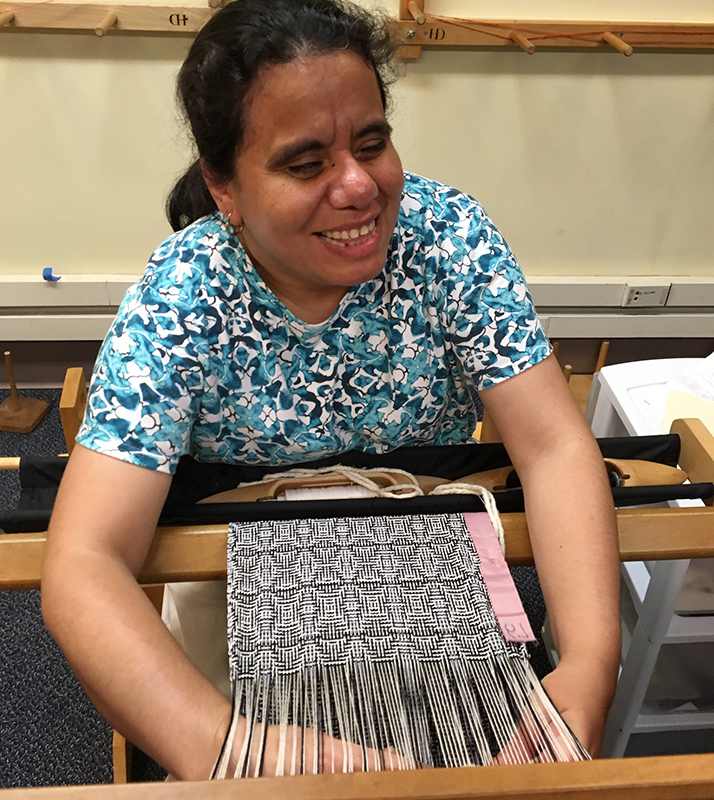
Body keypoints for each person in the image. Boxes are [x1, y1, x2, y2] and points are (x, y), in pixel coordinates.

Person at [41, 0, 620, 781]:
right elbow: (84, 560)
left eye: (373, 143)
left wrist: (587, 665)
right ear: (225, 187)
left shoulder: (447, 240)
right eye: (305, 164)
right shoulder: (185, 294)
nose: (358, 187)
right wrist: (233, 750)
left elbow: (552, 446)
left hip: (425, 565)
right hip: (235, 575)